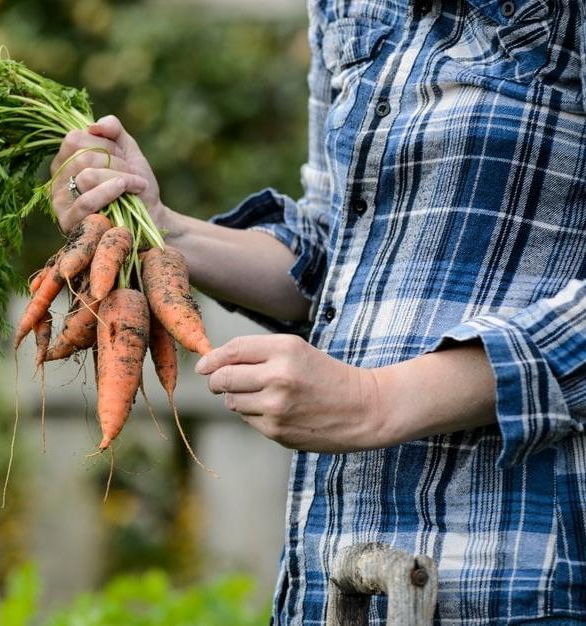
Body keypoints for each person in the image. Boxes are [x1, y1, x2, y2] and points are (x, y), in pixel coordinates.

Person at [49, 0, 586, 623]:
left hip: (520, 572)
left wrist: (373, 400)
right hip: (331, 571)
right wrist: (162, 231)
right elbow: (337, 245)